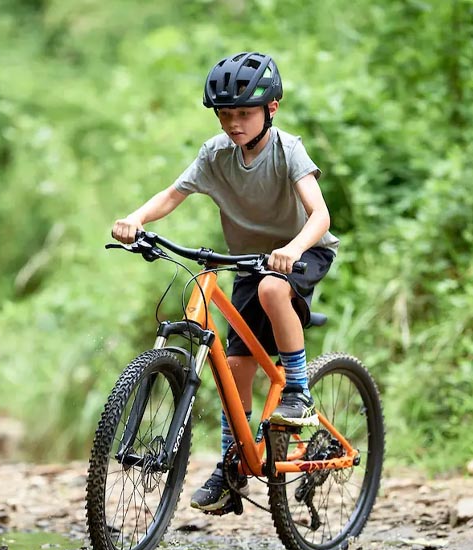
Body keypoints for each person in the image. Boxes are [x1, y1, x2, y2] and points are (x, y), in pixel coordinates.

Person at [111, 51, 339, 514]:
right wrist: (135, 218)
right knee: (234, 367)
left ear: (271, 109)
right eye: (225, 114)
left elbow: (320, 214)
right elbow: (172, 195)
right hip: (249, 261)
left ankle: (299, 393)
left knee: (274, 289)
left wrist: (292, 250)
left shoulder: (287, 150)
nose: (234, 124)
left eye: (244, 113)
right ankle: (231, 464)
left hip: (302, 250)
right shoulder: (215, 155)